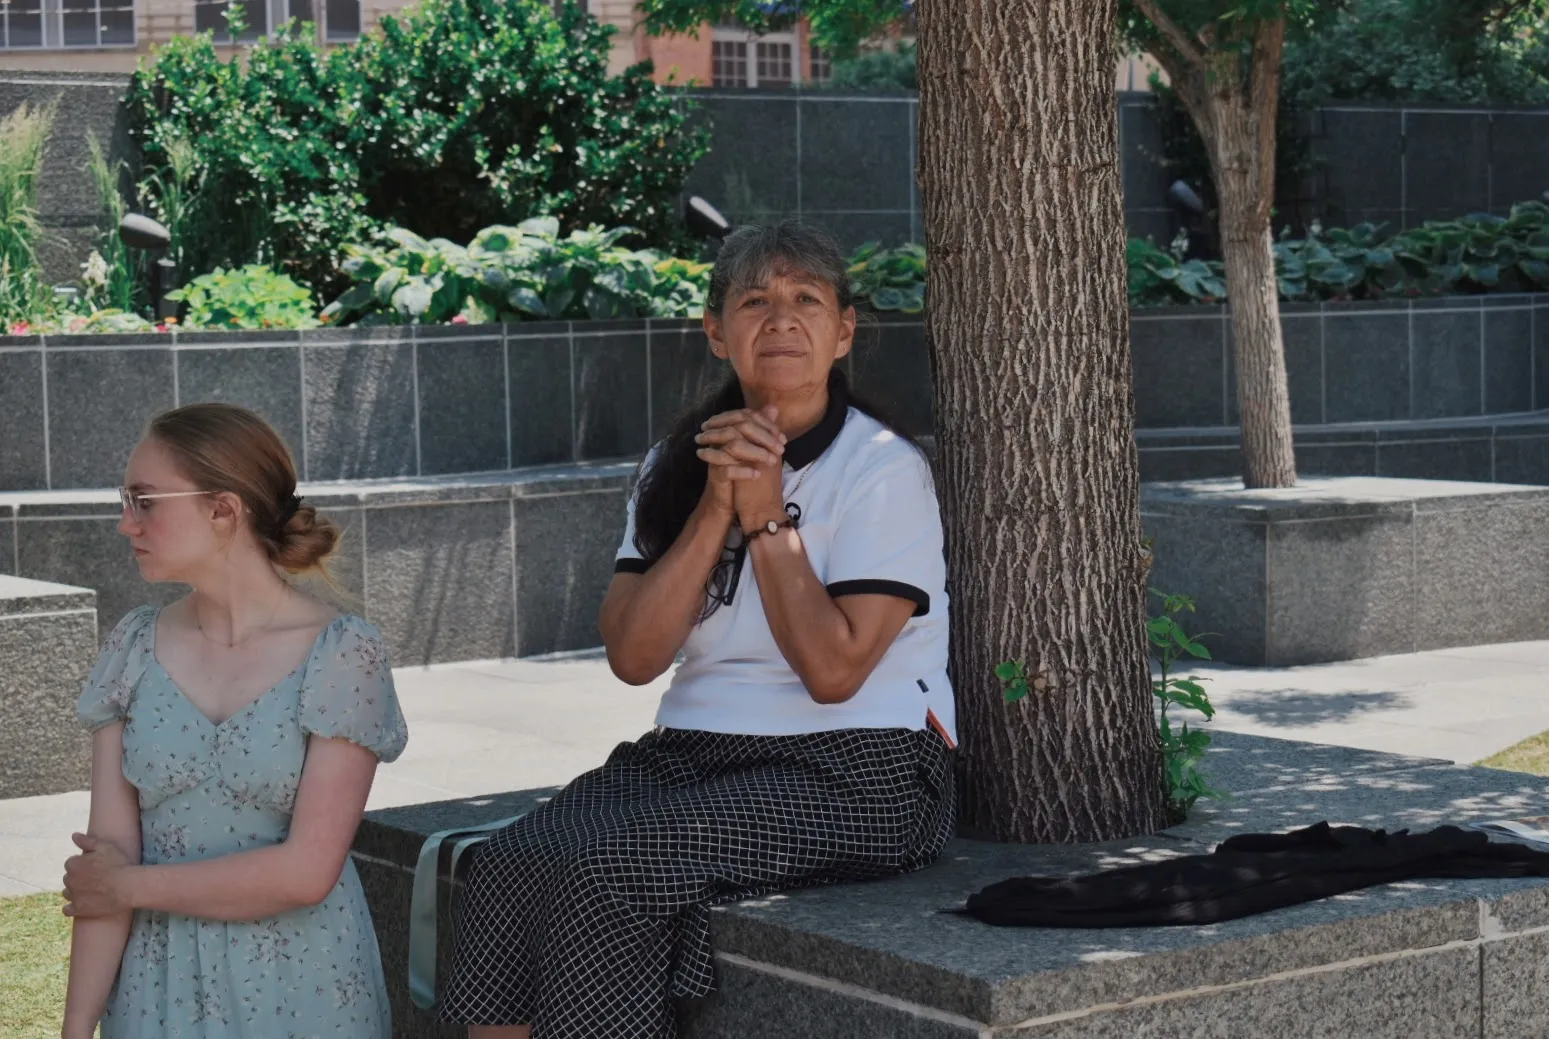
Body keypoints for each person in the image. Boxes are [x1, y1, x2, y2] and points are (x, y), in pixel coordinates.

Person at [439, 221, 957, 1039]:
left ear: (842, 331)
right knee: (506, 864)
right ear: (717, 332)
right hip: (692, 754)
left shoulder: (882, 466)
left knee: (611, 872)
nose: (779, 320)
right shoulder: (673, 464)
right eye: (753, 301)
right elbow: (634, 656)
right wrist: (715, 503)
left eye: (805, 300)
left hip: (864, 765)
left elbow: (834, 671)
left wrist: (763, 516)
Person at [60, 402, 409, 1039]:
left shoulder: (341, 654)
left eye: (144, 500)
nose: (124, 522)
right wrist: (77, 1027)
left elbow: (307, 872)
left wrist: (128, 887)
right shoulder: (132, 649)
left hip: (307, 992)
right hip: (153, 992)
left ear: (223, 510)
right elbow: (101, 869)